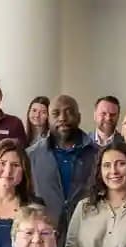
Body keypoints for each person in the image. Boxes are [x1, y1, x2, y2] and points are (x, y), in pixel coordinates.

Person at [28, 94, 100, 232]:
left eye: (69, 112)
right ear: (48, 119)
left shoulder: (98, 155)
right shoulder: (31, 156)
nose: (62, 118)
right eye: (56, 113)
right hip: (45, 237)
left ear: (79, 117)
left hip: (86, 235)